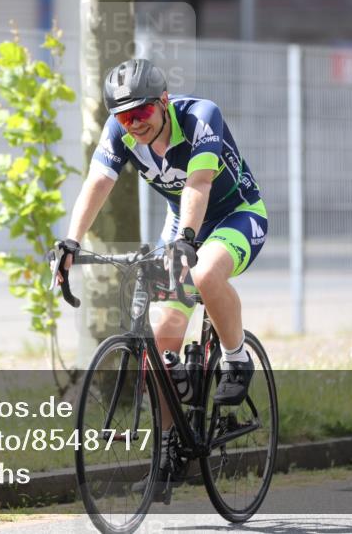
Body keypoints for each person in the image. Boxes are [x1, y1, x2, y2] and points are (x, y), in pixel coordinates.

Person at [54, 58, 267, 500]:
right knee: (161, 333)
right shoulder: (122, 132)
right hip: (182, 223)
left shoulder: (201, 116)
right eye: (123, 117)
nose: (133, 124)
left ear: (163, 102)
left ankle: (235, 357)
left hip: (234, 215)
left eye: (141, 113)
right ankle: (169, 449)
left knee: (206, 272)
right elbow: (97, 181)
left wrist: (186, 241)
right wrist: (71, 242)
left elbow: (199, 186)